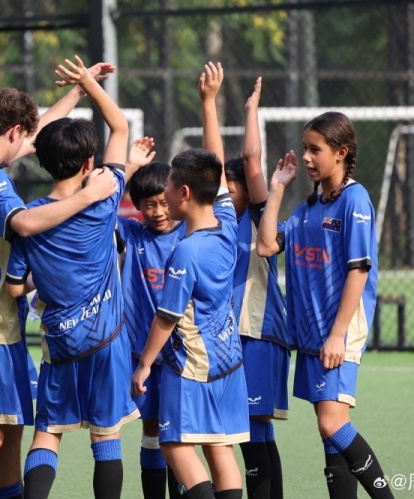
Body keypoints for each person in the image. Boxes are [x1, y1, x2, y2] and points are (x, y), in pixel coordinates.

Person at [0, 59, 120, 498]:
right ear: (12, 132)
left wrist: (78, 91)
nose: (30, 144)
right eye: (24, 136)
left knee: (11, 428)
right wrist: (89, 195)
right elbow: (26, 224)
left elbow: (37, 136)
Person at [4, 55, 139, 499]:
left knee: (48, 434)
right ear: (88, 162)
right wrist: (87, 83)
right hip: (106, 340)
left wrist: (42, 279)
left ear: (43, 161)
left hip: (60, 343)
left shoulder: (29, 218)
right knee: (107, 436)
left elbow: (14, 286)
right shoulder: (104, 196)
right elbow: (120, 127)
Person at [256, 112, 394, 499]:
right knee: (328, 432)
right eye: (305, 148)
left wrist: (338, 335)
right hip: (312, 336)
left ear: (341, 152)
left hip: (338, 332)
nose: (306, 157)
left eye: (315, 149)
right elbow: (266, 245)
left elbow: (359, 271)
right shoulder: (307, 210)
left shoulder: (355, 200)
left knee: (333, 424)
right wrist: (276, 188)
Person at [132, 61, 249, 499]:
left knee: (174, 445)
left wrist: (144, 364)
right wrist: (208, 103)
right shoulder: (227, 224)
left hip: (193, 365)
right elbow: (214, 165)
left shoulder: (185, 251)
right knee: (220, 448)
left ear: (182, 194)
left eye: (167, 191)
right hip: (229, 362)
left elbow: (166, 317)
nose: (162, 198)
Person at [226, 77, 290, 499]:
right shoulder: (217, 222)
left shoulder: (259, 217)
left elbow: (251, 158)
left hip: (259, 334)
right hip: (239, 337)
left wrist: (250, 111)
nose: (223, 192)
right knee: (257, 434)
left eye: (229, 186)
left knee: (252, 436)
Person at [115, 139, 185, 499]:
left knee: (180, 434)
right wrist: (128, 168)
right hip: (141, 353)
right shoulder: (131, 234)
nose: (158, 211)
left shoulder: (191, 235)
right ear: (137, 206)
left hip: (183, 354)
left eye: (163, 202)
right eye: (148, 204)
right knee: (152, 430)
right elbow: (98, 210)